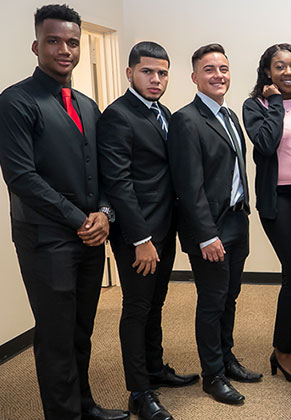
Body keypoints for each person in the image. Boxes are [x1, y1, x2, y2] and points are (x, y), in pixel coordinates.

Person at [0, 4, 128, 420]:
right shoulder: (14, 104)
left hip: (88, 236)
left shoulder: (87, 105)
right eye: (53, 41)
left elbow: (103, 171)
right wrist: (79, 219)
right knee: (54, 336)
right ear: (36, 45)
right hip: (46, 240)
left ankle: (84, 405)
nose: (64, 49)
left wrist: (104, 212)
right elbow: (22, 178)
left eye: (71, 42)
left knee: (81, 330)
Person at [98, 41, 199, 420]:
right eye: (147, 72)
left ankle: (155, 369)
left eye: (162, 73)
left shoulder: (164, 113)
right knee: (136, 309)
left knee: (156, 304)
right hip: (138, 236)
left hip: (165, 229)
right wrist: (140, 239)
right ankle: (140, 391)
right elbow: (119, 183)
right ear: (130, 73)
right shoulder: (117, 116)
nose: (156, 79)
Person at [167, 43, 262, 406]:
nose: (218, 75)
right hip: (210, 230)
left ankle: (226, 357)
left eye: (223, 68)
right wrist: (207, 236)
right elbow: (188, 187)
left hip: (237, 221)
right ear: (195, 77)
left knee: (230, 297)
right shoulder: (186, 120)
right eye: (209, 69)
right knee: (211, 301)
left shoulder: (230, 115)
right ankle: (213, 375)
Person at [242, 43, 291, 384]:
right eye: (280, 66)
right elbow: (267, 143)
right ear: (267, 71)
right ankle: (281, 350)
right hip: (278, 199)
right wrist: (272, 102)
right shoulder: (254, 105)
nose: (288, 72)